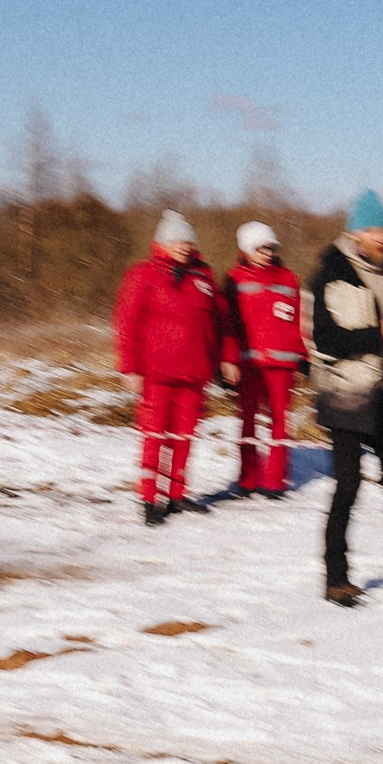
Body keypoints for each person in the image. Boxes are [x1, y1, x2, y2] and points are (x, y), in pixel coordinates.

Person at [309, 189, 383, 604]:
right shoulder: (330, 273)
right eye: (376, 230)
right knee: (348, 486)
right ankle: (336, 579)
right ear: (355, 233)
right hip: (344, 394)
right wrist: (381, 333)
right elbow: (326, 340)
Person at [114, 210, 236, 527]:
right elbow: (127, 323)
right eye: (176, 241)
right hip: (156, 373)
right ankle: (149, 497)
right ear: (162, 243)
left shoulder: (203, 277)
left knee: (184, 437)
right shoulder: (143, 274)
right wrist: (130, 368)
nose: (183, 246)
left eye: (188, 241)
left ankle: (176, 494)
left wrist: (227, 359)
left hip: (195, 372)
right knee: (154, 436)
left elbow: (223, 323)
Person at [224, 220, 308, 499]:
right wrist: (228, 360)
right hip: (249, 364)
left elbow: (298, 321)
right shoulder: (234, 279)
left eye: (271, 248)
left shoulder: (288, 279)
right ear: (246, 249)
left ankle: (275, 480)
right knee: (248, 421)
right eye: (260, 249)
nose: (267, 254)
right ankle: (248, 478)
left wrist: (302, 354)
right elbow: (228, 324)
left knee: (280, 422)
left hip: (282, 363)